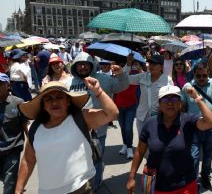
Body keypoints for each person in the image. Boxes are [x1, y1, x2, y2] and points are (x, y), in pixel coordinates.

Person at [15, 78, 119, 194]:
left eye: (59, 97)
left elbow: (112, 114)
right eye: (48, 99)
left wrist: (98, 91)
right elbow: (28, 159)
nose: (54, 102)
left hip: (80, 187)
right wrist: (18, 190)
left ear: (68, 101)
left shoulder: (81, 118)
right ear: (43, 105)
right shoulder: (35, 128)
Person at [126, 85, 212, 194]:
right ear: (159, 103)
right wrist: (132, 177)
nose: (170, 103)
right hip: (157, 186)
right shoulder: (150, 124)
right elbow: (139, 152)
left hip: (185, 185)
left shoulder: (188, 120)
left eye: (174, 99)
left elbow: (210, 122)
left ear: (180, 103)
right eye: (165, 99)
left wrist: (197, 97)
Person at [69, 52, 129, 191]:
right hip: (76, 129)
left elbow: (122, 86)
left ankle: (95, 186)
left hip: (98, 130)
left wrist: (121, 74)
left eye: (85, 64)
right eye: (79, 65)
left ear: (92, 66)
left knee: (96, 159)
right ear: (75, 67)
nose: (82, 67)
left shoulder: (103, 79)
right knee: (79, 160)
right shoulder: (70, 82)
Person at [181, 56, 212, 189]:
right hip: (193, 127)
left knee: (208, 156)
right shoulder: (187, 87)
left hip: (210, 128)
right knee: (194, 156)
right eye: (199, 76)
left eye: (204, 75)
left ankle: (205, 176)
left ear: (208, 74)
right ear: (194, 75)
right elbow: (182, 106)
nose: (202, 78)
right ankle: (193, 180)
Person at [126, 54, 173, 136]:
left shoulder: (167, 80)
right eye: (150, 64)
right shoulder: (142, 76)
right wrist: (128, 64)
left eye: (154, 64)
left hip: (159, 117)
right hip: (142, 117)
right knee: (142, 142)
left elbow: (171, 99)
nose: (151, 66)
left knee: (156, 144)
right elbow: (126, 80)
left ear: (161, 67)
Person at [0, 73, 25, 194]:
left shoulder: (18, 102)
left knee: (9, 182)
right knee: (6, 177)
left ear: (7, 85)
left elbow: (26, 125)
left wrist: (34, 145)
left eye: (0, 84)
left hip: (13, 148)